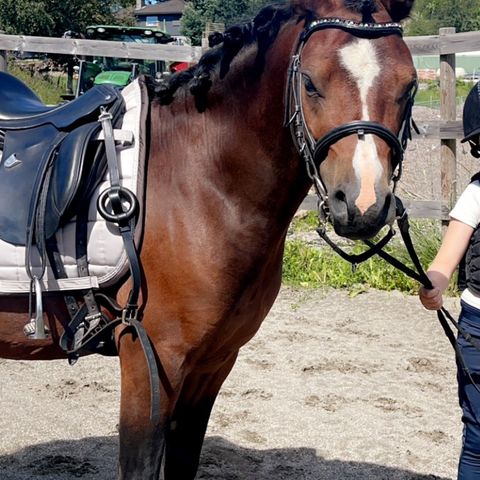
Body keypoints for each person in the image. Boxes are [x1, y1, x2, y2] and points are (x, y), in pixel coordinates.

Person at [419, 80, 480, 479]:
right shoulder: (477, 194)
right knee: (477, 438)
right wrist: (434, 284)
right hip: (478, 328)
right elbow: (445, 260)